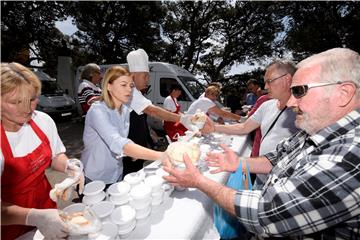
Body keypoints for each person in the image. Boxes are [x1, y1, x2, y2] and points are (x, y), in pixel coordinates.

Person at [163, 48, 360, 239]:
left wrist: (199, 181)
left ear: (344, 93)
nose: (291, 103)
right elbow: (277, 157)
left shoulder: (351, 155)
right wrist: (240, 163)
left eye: (299, 91)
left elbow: (267, 213)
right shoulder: (319, 129)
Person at [1, 63, 82, 240]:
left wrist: (69, 166)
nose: (27, 109)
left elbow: (55, 155)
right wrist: (34, 216)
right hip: (9, 222)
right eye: (15, 102)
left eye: (32, 99)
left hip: (46, 208)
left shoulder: (42, 120)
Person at [202, 60, 298, 187]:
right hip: (261, 177)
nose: (265, 87)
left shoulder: (303, 111)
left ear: (287, 79)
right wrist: (214, 127)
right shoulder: (266, 105)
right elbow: (244, 127)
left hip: (283, 182)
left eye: (269, 81)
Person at [81, 66, 166, 186]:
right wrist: (162, 156)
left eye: (131, 86)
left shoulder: (125, 109)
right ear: (109, 86)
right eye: (123, 85)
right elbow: (117, 142)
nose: (129, 90)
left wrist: (134, 153)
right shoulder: (98, 110)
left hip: (116, 174)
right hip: (95, 178)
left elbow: (123, 138)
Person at [122, 49, 200, 176]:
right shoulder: (130, 92)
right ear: (132, 75)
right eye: (144, 75)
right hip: (130, 144)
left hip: (137, 143)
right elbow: (153, 111)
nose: (148, 79)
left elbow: (151, 111)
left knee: (136, 171)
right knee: (129, 174)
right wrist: (182, 119)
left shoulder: (137, 93)